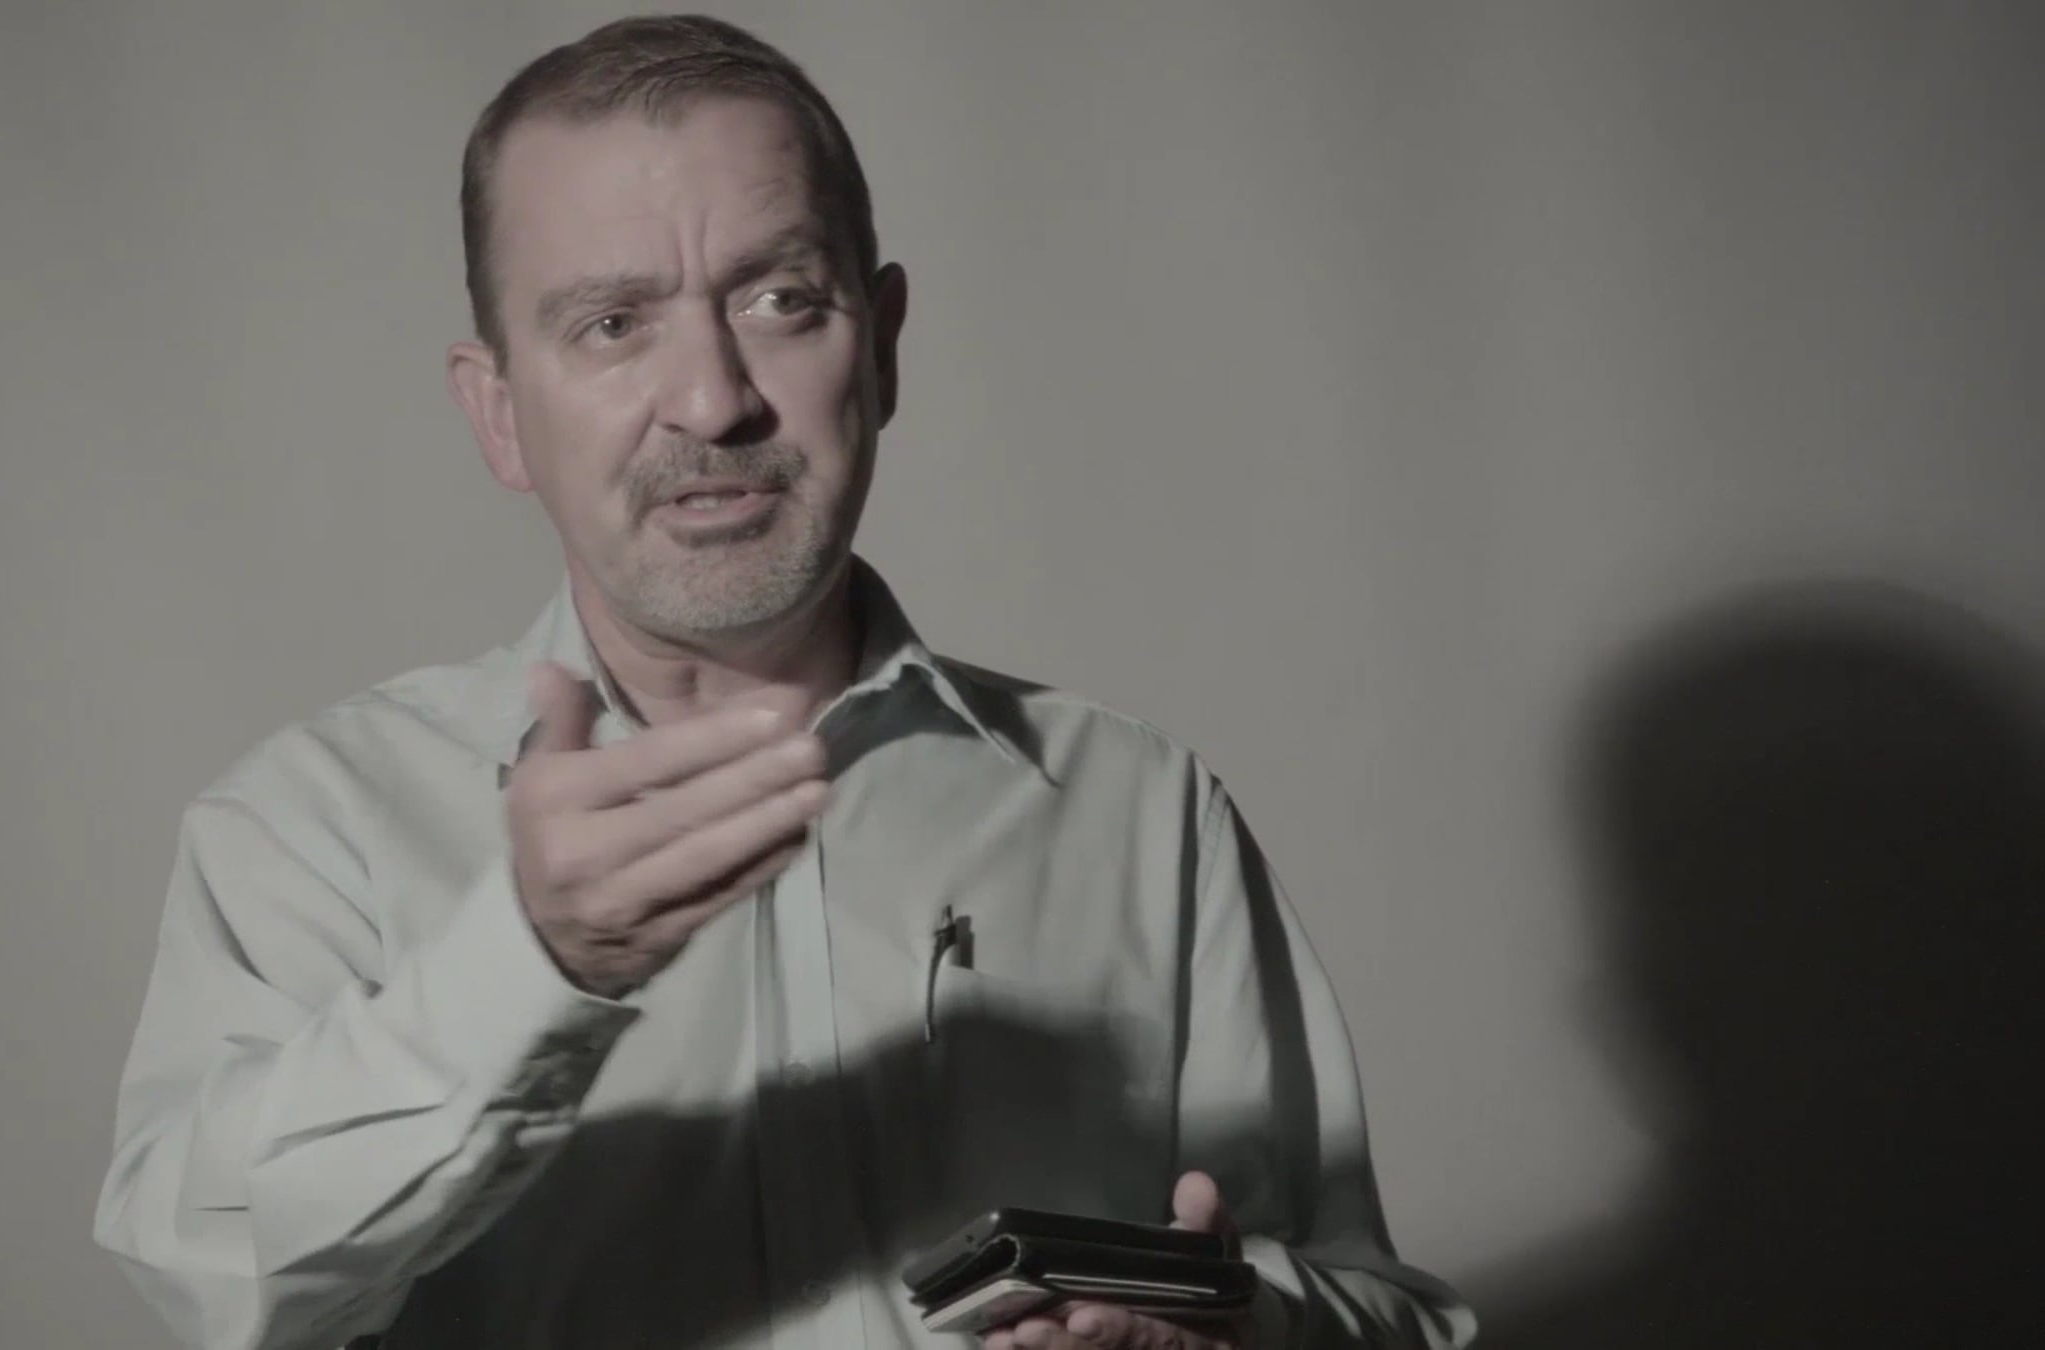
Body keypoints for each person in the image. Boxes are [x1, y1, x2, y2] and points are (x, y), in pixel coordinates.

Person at [93, 15, 1475, 1350]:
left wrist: (1244, 1328)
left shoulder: (1142, 810)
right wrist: (530, 965)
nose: (713, 400)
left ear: (883, 344)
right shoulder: (313, 829)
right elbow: (213, 1287)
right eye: (613, 323)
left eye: (780, 300)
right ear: (499, 413)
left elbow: (1387, 1316)